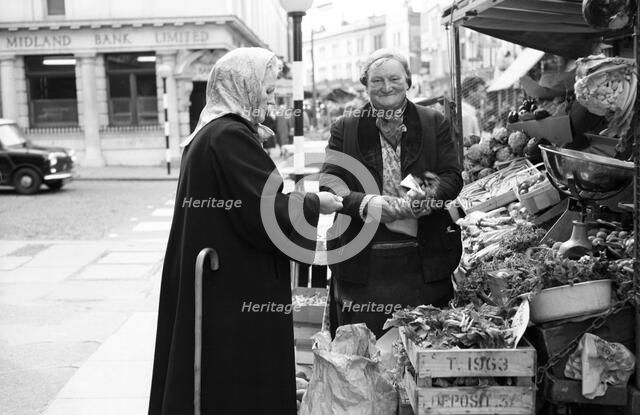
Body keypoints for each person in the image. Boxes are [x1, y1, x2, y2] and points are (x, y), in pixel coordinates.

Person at [148, 47, 342, 415]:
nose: (271, 100)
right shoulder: (229, 136)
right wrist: (317, 203)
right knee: (237, 379)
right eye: (267, 91)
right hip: (232, 288)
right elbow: (264, 211)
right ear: (243, 86)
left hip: (219, 280)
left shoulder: (213, 132)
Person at [320, 49, 463, 339]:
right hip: (362, 265)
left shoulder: (434, 123)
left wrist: (428, 197)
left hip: (424, 262)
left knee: (423, 344)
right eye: (377, 80)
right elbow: (329, 183)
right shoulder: (345, 129)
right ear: (365, 84)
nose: (387, 87)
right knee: (364, 352)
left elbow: (452, 177)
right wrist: (366, 204)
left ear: (408, 81)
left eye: (395, 78)